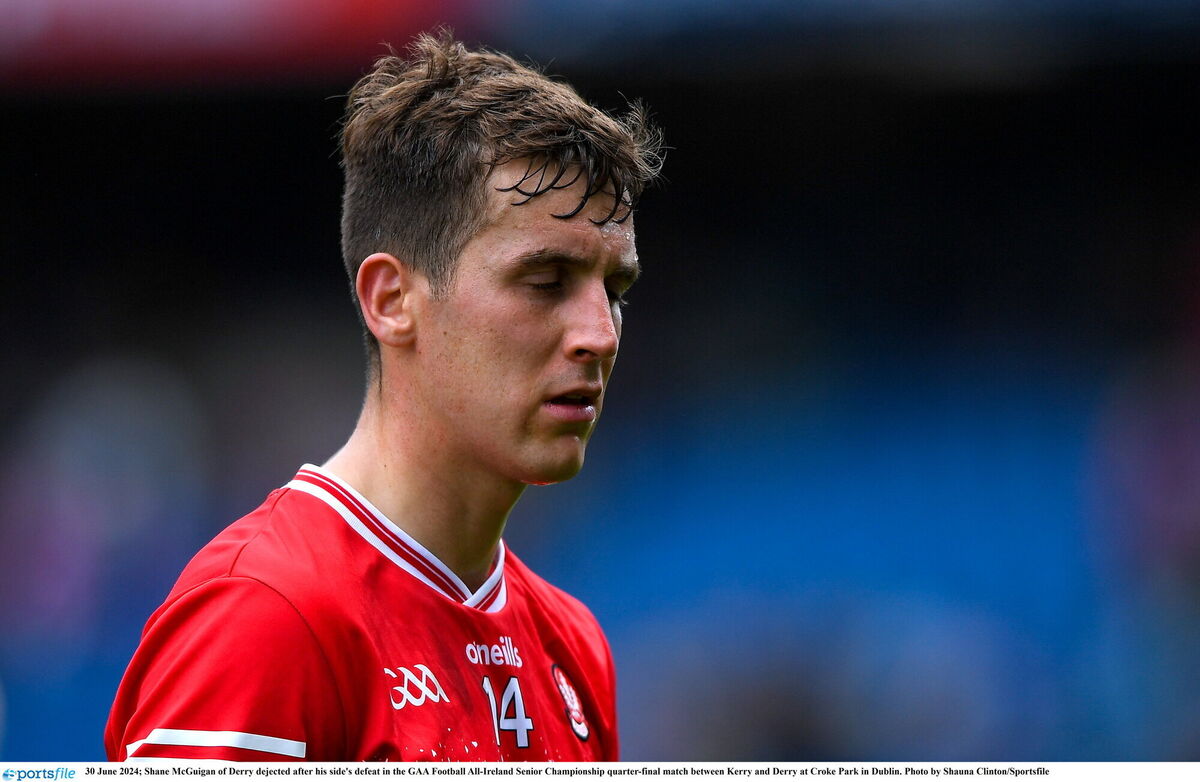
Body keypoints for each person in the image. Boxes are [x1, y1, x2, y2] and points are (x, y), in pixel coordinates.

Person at [104, 32, 663, 762]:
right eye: (545, 282)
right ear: (392, 300)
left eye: (614, 290)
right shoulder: (265, 614)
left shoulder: (575, 648)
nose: (600, 334)